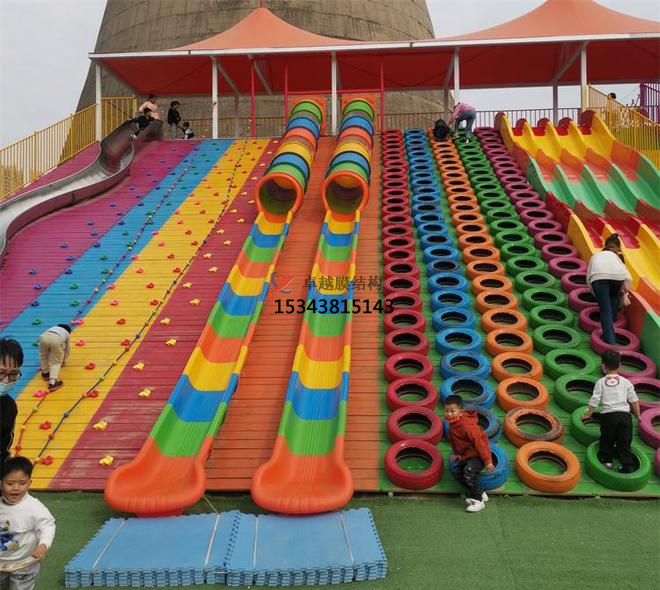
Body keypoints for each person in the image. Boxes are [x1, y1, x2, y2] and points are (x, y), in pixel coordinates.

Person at [0, 456, 56, 589]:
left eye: (22, 483)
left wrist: (43, 544)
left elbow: (47, 525)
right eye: (10, 483)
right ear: (1, 484)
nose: (16, 488)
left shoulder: (33, 507)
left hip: (25, 564)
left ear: (29, 483)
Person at [582, 350, 640, 473]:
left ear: (603, 366)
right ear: (620, 365)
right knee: (624, 441)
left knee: (607, 439)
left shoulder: (600, 382)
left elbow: (595, 399)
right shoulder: (626, 382)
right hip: (625, 416)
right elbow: (634, 400)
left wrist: (588, 414)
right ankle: (626, 465)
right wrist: (638, 415)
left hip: (609, 417)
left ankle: (607, 461)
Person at [444, 394, 494, 513]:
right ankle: (481, 494)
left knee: (469, 472)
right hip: (466, 454)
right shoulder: (453, 423)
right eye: (446, 411)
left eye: (452, 411)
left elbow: (480, 444)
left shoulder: (467, 426)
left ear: (461, 411)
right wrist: (457, 453)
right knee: (459, 474)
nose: (449, 414)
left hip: (478, 454)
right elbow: (455, 441)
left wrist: (488, 461)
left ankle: (478, 501)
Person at [586, 234, 632, 345]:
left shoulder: (596, 255)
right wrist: (625, 290)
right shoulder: (617, 258)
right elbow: (628, 277)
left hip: (599, 278)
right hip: (617, 279)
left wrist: (594, 291)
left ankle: (610, 341)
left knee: (605, 310)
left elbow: (589, 276)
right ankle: (613, 319)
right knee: (614, 296)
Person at [0, 339, 23, 470]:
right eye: (1, 373)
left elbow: (4, 448)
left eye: (13, 374)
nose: (6, 380)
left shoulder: (9, 407)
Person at [38, 324, 71, 393]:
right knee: (56, 362)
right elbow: (67, 349)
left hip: (43, 338)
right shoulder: (67, 333)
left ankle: (45, 373)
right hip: (57, 339)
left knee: (44, 356)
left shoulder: (53, 328)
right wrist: (64, 360)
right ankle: (52, 383)